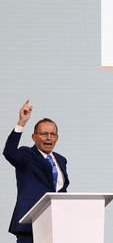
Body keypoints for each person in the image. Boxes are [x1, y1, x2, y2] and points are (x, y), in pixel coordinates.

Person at [3, 100, 70, 243]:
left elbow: (60, 190)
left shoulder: (61, 160)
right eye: (44, 134)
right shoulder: (26, 155)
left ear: (57, 138)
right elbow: (9, 152)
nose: (49, 138)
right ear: (34, 137)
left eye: (52, 134)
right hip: (31, 225)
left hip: (57, 224)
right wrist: (21, 122)